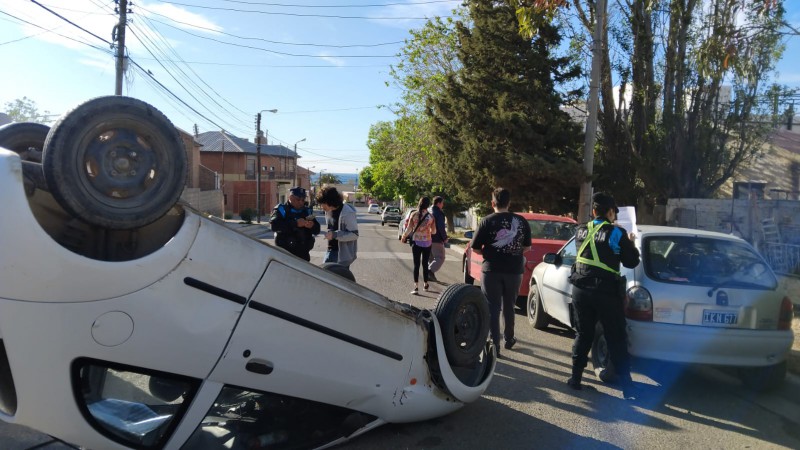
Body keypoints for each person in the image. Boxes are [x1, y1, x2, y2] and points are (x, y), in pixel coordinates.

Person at [567, 192, 641, 399]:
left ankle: (575, 379)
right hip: (605, 292)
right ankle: (627, 387)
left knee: (583, 333)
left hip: (580, 289)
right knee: (616, 337)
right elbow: (631, 262)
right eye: (613, 213)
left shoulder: (580, 230)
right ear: (610, 212)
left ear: (593, 211)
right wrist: (631, 243)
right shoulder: (617, 233)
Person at [467, 187, 531, 357]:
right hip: (514, 271)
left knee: (492, 307)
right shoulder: (522, 221)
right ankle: (509, 339)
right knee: (509, 306)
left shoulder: (486, 221)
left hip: (491, 270)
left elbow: (475, 247)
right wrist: (513, 252)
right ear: (509, 203)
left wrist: (489, 253)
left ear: (492, 203)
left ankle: (494, 346)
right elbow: (527, 247)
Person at [269, 187, 320, 261]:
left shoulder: (307, 211)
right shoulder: (281, 209)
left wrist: (312, 226)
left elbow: (317, 230)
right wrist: (295, 224)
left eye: (303, 200)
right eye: (298, 199)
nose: (301, 202)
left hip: (303, 255)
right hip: (285, 254)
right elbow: (274, 226)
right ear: (291, 197)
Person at [316, 186, 359, 267]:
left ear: (329, 202)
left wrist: (335, 235)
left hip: (342, 254)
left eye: (322, 203)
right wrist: (330, 234)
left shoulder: (348, 212)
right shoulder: (328, 211)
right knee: (324, 275)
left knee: (339, 278)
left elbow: (355, 235)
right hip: (330, 250)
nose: (321, 206)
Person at [402, 196, 436, 295]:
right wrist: (427, 229)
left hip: (416, 242)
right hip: (427, 243)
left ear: (419, 203)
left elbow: (409, 229)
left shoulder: (414, 215)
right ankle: (425, 284)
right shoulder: (431, 217)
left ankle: (416, 287)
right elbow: (434, 232)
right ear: (428, 205)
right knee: (425, 264)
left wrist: (404, 236)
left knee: (416, 265)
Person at [427, 196, 448, 282]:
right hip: (436, 238)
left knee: (431, 258)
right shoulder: (438, 213)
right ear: (438, 203)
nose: (443, 205)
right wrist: (445, 238)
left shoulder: (428, 211)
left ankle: (429, 275)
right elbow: (440, 227)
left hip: (427, 238)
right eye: (442, 203)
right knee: (440, 257)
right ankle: (429, 271)